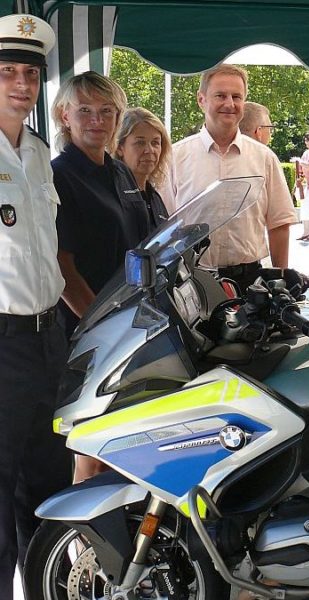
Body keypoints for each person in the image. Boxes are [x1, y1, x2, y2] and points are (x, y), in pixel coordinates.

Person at [53, 72, 163, 483]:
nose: (96, 120)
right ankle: (83, 540)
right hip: (88, 331)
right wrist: (97, 325)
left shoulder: (118, 173)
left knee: (124, 442)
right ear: (65, 116)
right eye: (85, 111)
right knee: (92, 445)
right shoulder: (60, 176)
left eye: (107, 111)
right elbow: (62, 266)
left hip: (129, 326)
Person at [0, 15, 70, 596]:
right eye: (7, 73)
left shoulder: (39, 153)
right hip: (2, 344)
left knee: (49, 490)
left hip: (49, 339)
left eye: (30, 73)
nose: (21, 85)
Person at [167, 64, 297, 291]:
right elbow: (163, 225)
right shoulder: (175, 157)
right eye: (220, 95)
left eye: (237, 96)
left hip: (251, 283)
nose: (229, 103)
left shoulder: (264, 158)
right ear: (201, 100)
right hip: (192, 282)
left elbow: (279, 223)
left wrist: (280, 281)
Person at [114, 107, 171, 221]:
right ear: (119, 147)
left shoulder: (154, 197)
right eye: (140, 143)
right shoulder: (113, 196)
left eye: (155, 143)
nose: (149, 150)